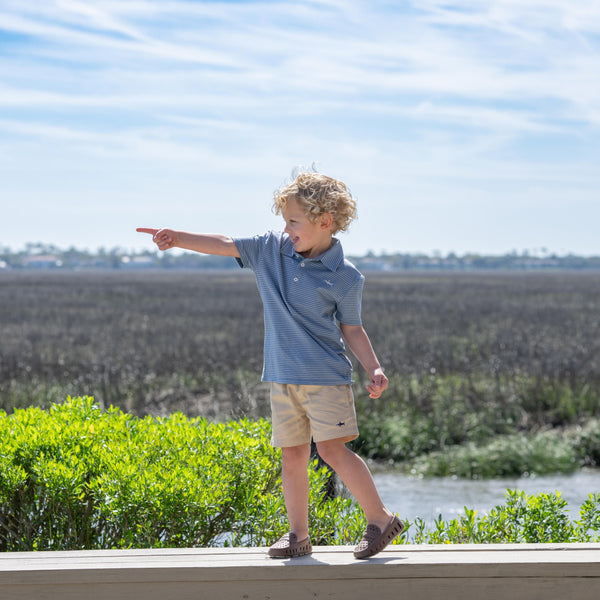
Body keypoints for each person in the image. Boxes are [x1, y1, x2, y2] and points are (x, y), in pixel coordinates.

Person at [137, 170, 404, 559]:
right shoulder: (269, 250)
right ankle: (298, 536)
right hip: (281, 377)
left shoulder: (347, 278)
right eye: (285, 220)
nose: (286, 228)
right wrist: (178, 238)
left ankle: (380, 518)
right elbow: (226, 242)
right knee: (292, 455)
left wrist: (374, 368)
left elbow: (353, 328)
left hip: (326, 379)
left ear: (324, 222)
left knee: (331, 451)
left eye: (294, 221)